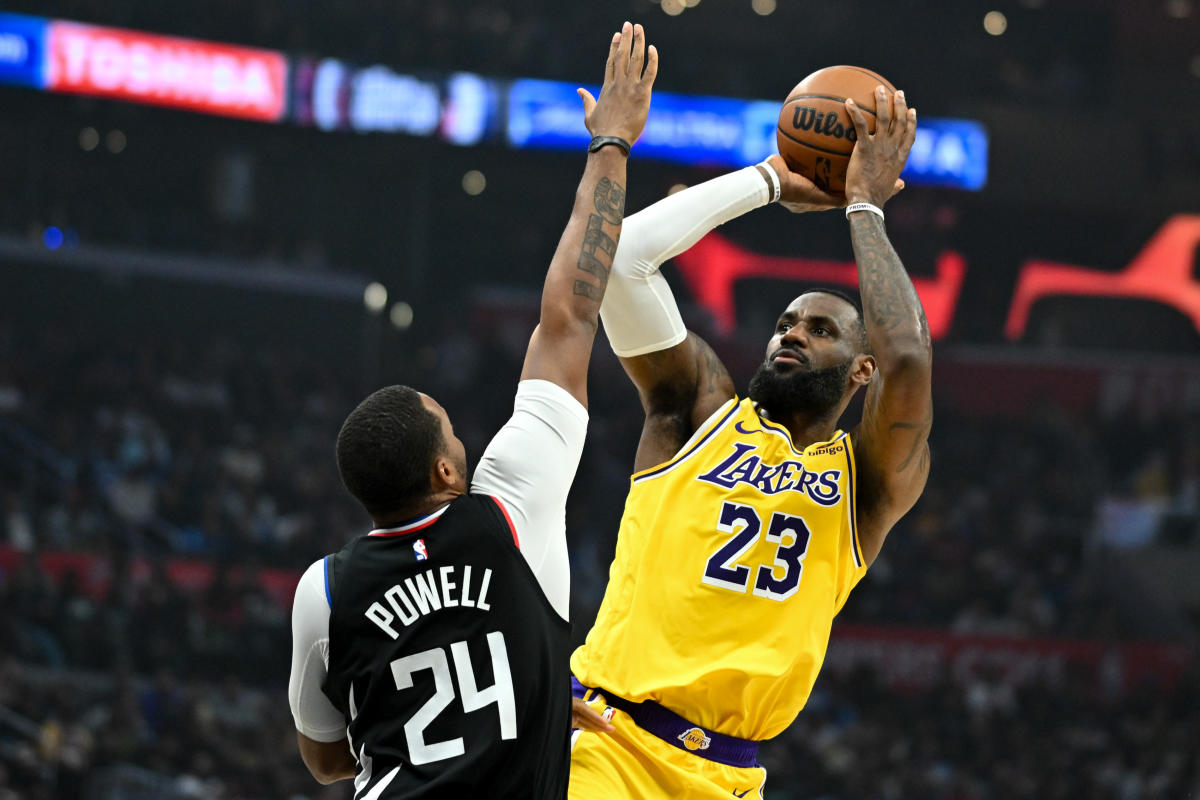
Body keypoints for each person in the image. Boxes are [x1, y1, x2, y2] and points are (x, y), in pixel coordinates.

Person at [287, 22, 657, 799]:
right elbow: (569, 315)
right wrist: (612, 144)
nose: (468, 440)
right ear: (446, 471)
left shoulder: (324, 589)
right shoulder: (512, 510)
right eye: (455, 432)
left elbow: (324, 761)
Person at [568, 87, 928, 798]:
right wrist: (768, 179)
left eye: (820, 330)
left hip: (733, 777)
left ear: (863, 369)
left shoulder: (866, 484)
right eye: (786, 323)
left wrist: (865, 208)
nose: (792, 334)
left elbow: (910, 359)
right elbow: (625, 259)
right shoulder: (697, 412)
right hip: (612, 749)